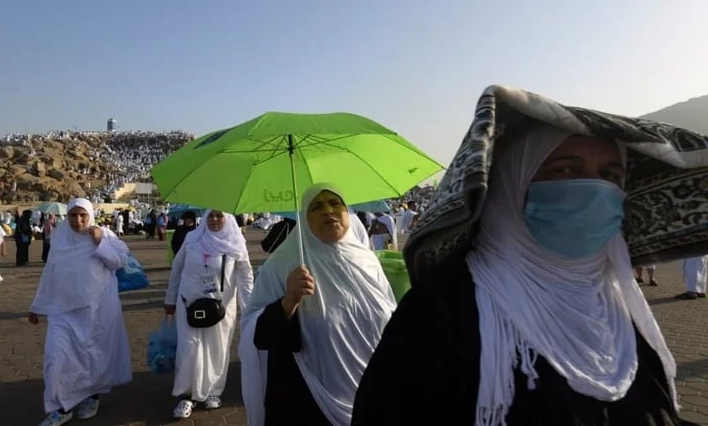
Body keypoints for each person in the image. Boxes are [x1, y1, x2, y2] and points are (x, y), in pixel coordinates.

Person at [351, 85, 707, 426]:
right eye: (564, 170)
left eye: (610, 175)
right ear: (512, 182)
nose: (595, 190)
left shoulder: (617, 306)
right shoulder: (440, 313)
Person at [240, 183, 396, 426]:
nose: (328, 211)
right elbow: (255, 332)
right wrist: (287, 303)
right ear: (304, 218)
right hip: (310, 401)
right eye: (316, 206)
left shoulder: (367, 260)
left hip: (374, 397)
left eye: (335, 203)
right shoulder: (283, 265)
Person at [28, 198, 132, 426]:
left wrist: (99, 244)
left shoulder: (105, 235)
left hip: (97, 310)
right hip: (63, 311)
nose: (78, 220)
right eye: (73, 215)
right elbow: (50, 273)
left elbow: (119, 262)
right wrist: (37, 305)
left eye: (83, 215)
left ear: (91, 215)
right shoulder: (60, 237)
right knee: (56, 358)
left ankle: (92, 396)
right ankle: (59, 407)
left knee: (93, 356)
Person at [163, 210, 254, 420]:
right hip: (188, 303)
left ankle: (213, 391)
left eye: (219, 216)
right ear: (204, 218)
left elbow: (246, 276)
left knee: (217, 349)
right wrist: (170, 299)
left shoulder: (236, 243)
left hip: (220, 308)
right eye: (211, 216)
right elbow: (177, 268)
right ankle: (187, 395)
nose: (214, 220)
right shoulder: (193, 238)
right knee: (189, 349)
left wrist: (249, 308)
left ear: (228, 219)